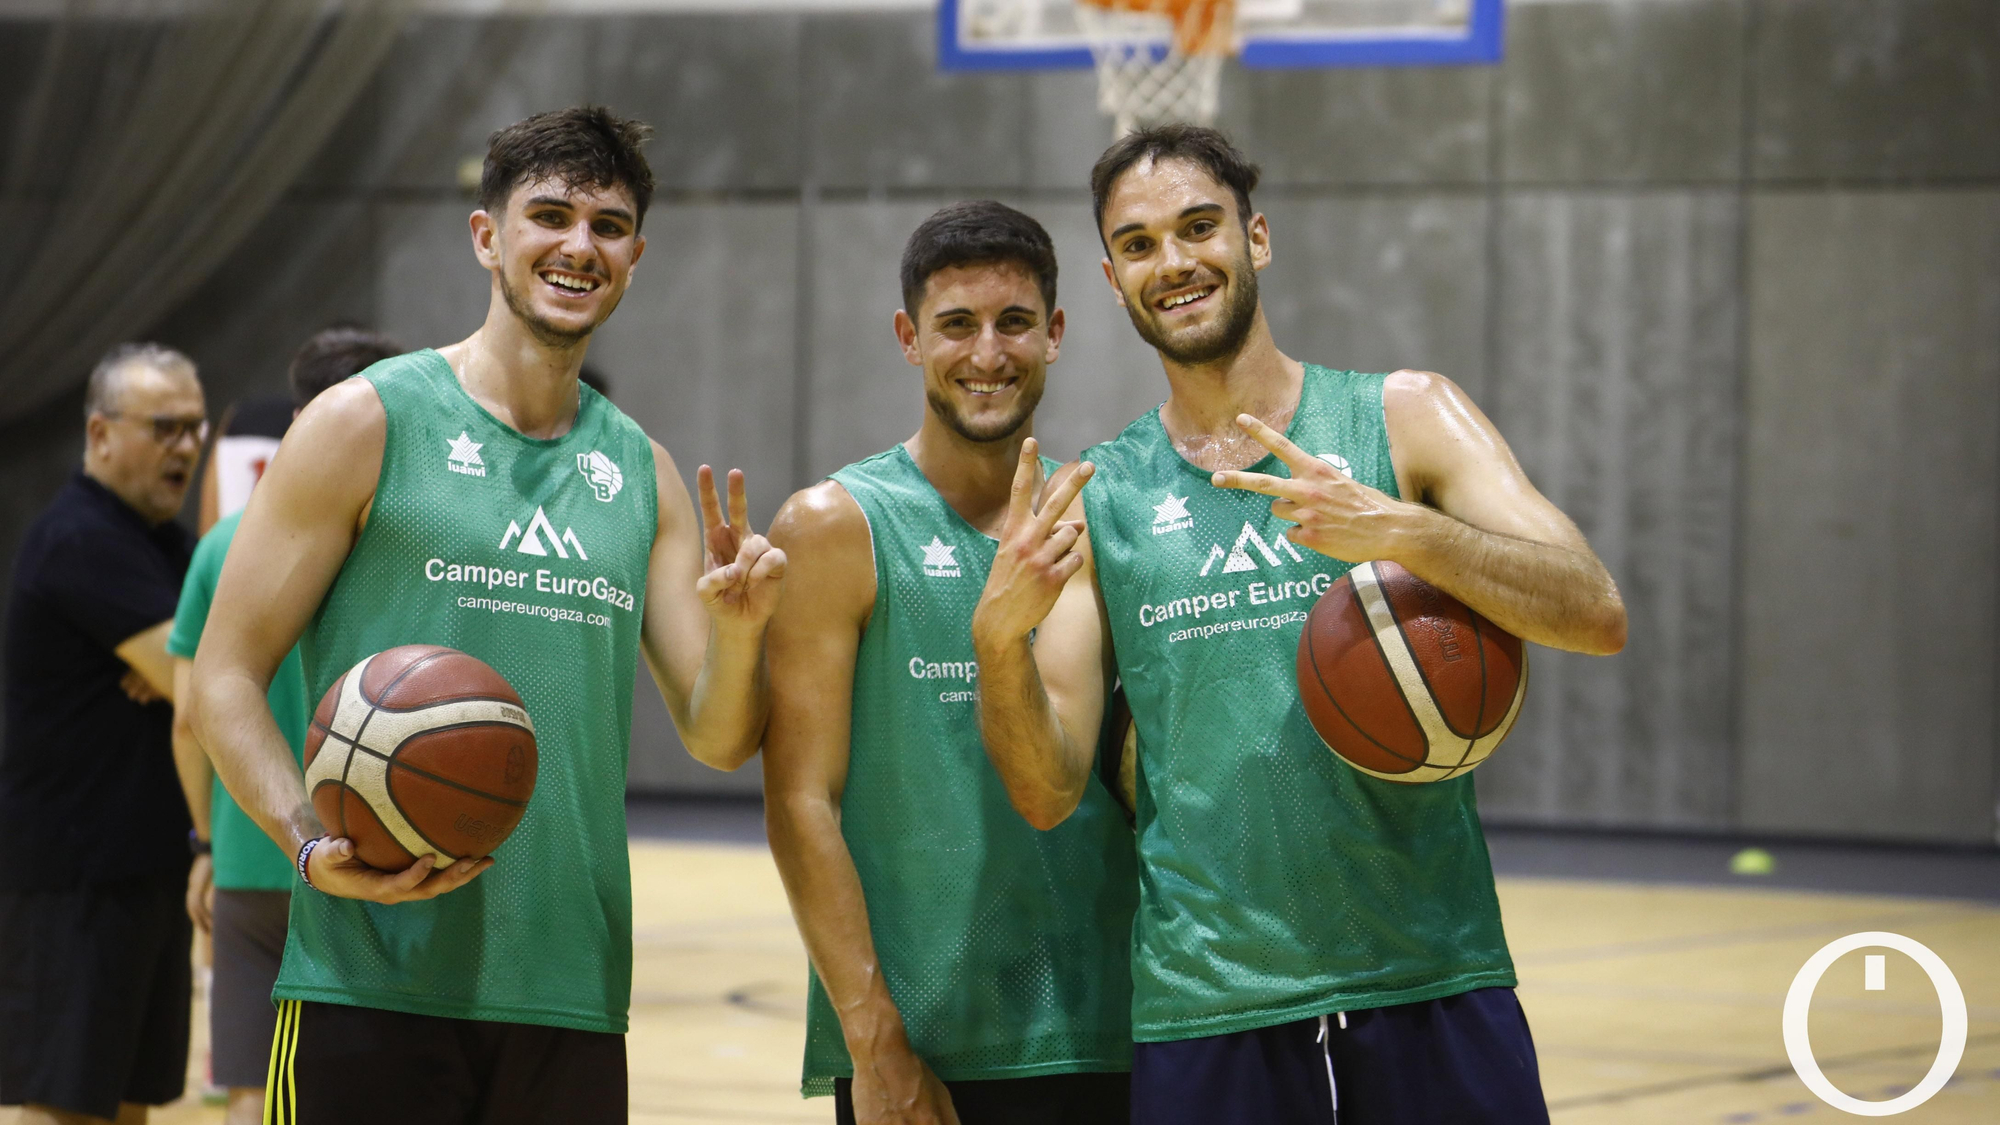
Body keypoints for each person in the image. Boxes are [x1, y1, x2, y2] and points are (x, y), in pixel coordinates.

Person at [970, 125, 1628, 1124]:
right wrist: (994, 644)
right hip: (1211, 1006)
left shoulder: (1403, 418)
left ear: (1256, 237)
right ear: (1110, 280)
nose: (1174, 263)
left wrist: (1404, 530)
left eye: (1199, 227)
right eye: (1138, 245)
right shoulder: (1097, 500)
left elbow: (1593, 610)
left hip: (1429, 976)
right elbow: (1044, 788)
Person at [186, 106, 785, 1125]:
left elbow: (721, 736)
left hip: (569, 993)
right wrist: (303, 843)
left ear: (634, 257)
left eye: (606, 225)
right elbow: (222, 675)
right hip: (368, 978)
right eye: (547, 214)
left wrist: (738, 633)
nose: (576, 245)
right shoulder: (364, 422)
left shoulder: (641, 473)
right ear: (486, 238)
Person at [764, 202, 1136, 1125]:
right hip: (919, 1040)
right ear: (907, 337)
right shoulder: (833, 526)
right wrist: (872, 1034)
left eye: (1014, 323)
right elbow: (799, 800)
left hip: (1104, 1023)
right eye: (956, 325)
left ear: (1054, 334)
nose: (987, 353)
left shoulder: (1096, 522)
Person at [167, 326, 403, 1125]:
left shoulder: (224, 545)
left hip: (249, 847)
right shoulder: (409, 545)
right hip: (372, 849)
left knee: (246, 1084)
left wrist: (203, 841)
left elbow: (187, 717)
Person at [0, 343, 208, 1125]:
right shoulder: (82, 538)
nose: (185, 447)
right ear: (100, 434)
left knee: (127, 1103)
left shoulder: (167, 545)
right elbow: (203, 679)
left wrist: (190, 662)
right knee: (66, 1103)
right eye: (164, 427)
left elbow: (203, 669)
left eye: (193, 427)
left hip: (145, 865)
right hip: (75, 876)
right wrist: (191, 664)